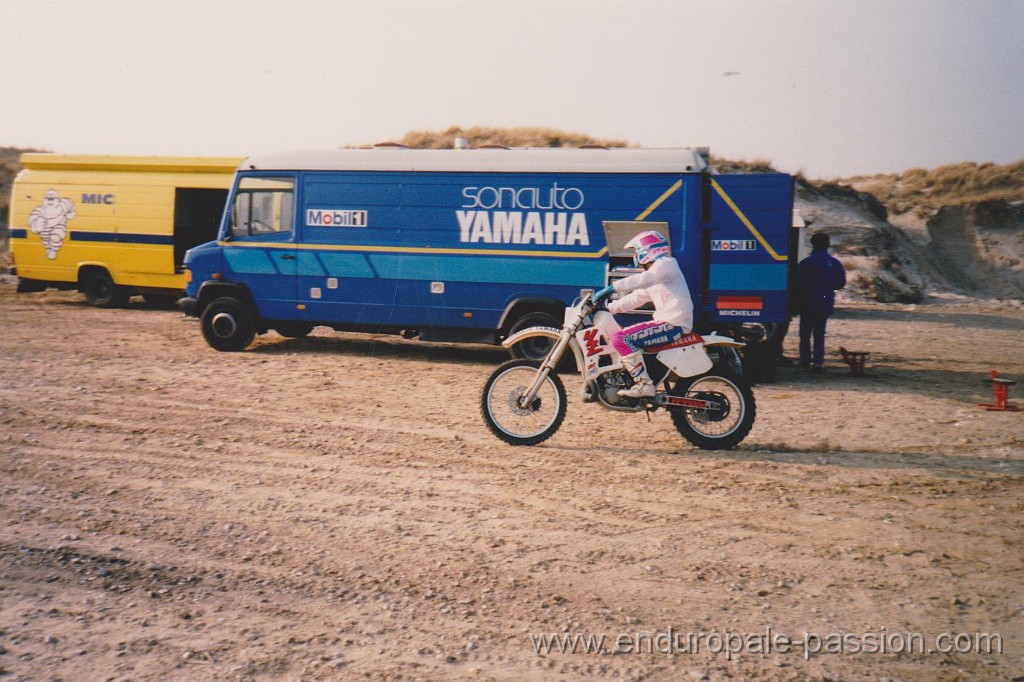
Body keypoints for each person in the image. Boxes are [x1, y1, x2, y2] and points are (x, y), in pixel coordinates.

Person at [593, 230, 694, 398]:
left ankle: (644, 385)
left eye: (635, 251)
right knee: (621, 337)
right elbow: (635, 299)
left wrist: (612, 288)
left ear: (646, 250)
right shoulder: (658, 276)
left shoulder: (666, 264)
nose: (634, 256)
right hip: (667, 323)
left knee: (620, 338)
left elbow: (645, 279)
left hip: (673, 324)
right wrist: (608, 308)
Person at [797, 232, 846, 372]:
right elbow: (840, 283)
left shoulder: (806, 263)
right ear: (828, 244)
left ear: (812, 244)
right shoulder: (835, 263)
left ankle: (804, 360)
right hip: (824, 303)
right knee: (819, 333)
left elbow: (799, 283)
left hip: (807, 302)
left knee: (805, 333)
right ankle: (818, 362)